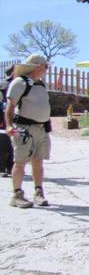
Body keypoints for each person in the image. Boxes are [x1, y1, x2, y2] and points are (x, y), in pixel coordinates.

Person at [4, 54, 52, 208]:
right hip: (24, 128)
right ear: (38, 66)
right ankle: (17, 194)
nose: (47, 69)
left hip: (41, 128)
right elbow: (10, 106)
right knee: (20, 161)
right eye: (45, 66)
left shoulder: (40, 84)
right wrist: (9, 126)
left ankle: (38, 192)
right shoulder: (19, 83)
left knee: (38, 161)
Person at [0, 65, 15, 177]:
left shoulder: (2, 83)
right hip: (8, 116)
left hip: (3, 116)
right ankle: (8, 167)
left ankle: (5, 167)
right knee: (9, 143)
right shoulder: (11, 84)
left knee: (5, 143)